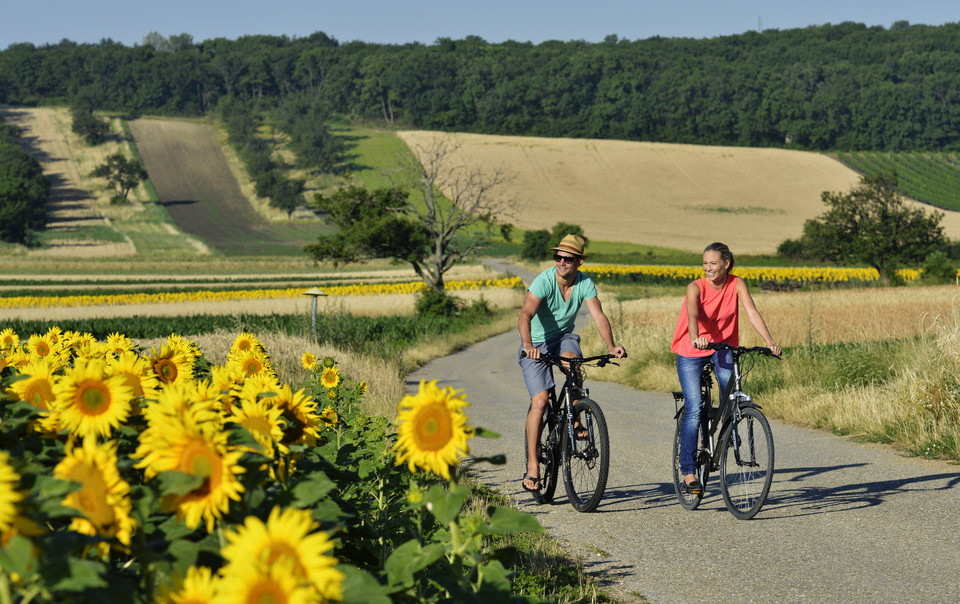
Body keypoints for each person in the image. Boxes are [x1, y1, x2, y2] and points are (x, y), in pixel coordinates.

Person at [518, 234, 627, 495]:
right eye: (558, 257)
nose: (562, 262)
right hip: (536, 342)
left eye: (568, 259)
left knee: (574, 366)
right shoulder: (544, 280)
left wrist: (611, 346)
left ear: (579, 262)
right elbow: (525, 314)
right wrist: (528, 344)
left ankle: (575, 416)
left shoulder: (584, 283)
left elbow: (598, 315)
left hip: (563, 338)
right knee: (540, 402)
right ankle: (533, 465)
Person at [672, 242, 781, 494]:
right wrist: (696, 336)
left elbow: (752, 312)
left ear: (726, 264)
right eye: (704, 263)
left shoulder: (737, 283)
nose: (708, 268)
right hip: (692, 349)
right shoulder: (695, 287)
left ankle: (728, 429)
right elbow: (691, 314)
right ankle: (688, 471)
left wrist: (770, 342)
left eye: (713, 263)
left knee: (730, 391)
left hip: (723, 346)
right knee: (694, 408)